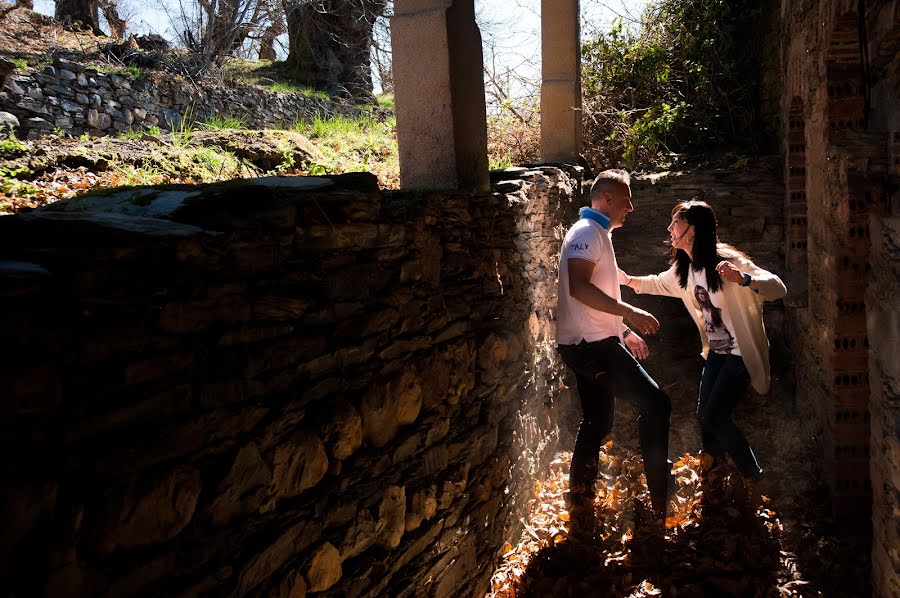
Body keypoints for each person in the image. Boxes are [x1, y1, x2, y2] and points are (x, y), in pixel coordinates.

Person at [619, 200, 786, 499]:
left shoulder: (726, 260)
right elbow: (658, 283)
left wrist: (743, 278)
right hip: (717, 354)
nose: (669, 229)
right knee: (705, 414)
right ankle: (715, 474)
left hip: (740, 354)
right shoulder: (685, 267)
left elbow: (777, 287)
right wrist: (627, 280)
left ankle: (754, 475)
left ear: (693, 229)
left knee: (713, 417)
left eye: (675, 223)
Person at [555, 169, 674, 517]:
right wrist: (631, 312)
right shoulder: (587, 233)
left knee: (597, 421)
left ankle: (580, 499)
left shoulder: (597, 233)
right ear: (607, 199)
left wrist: (622, 330)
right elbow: (579, 288)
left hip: (592, 341)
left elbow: (594, 298)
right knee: (657, 403)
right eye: (626, 200)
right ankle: (659, 496)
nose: (631, 208)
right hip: (590, 346)